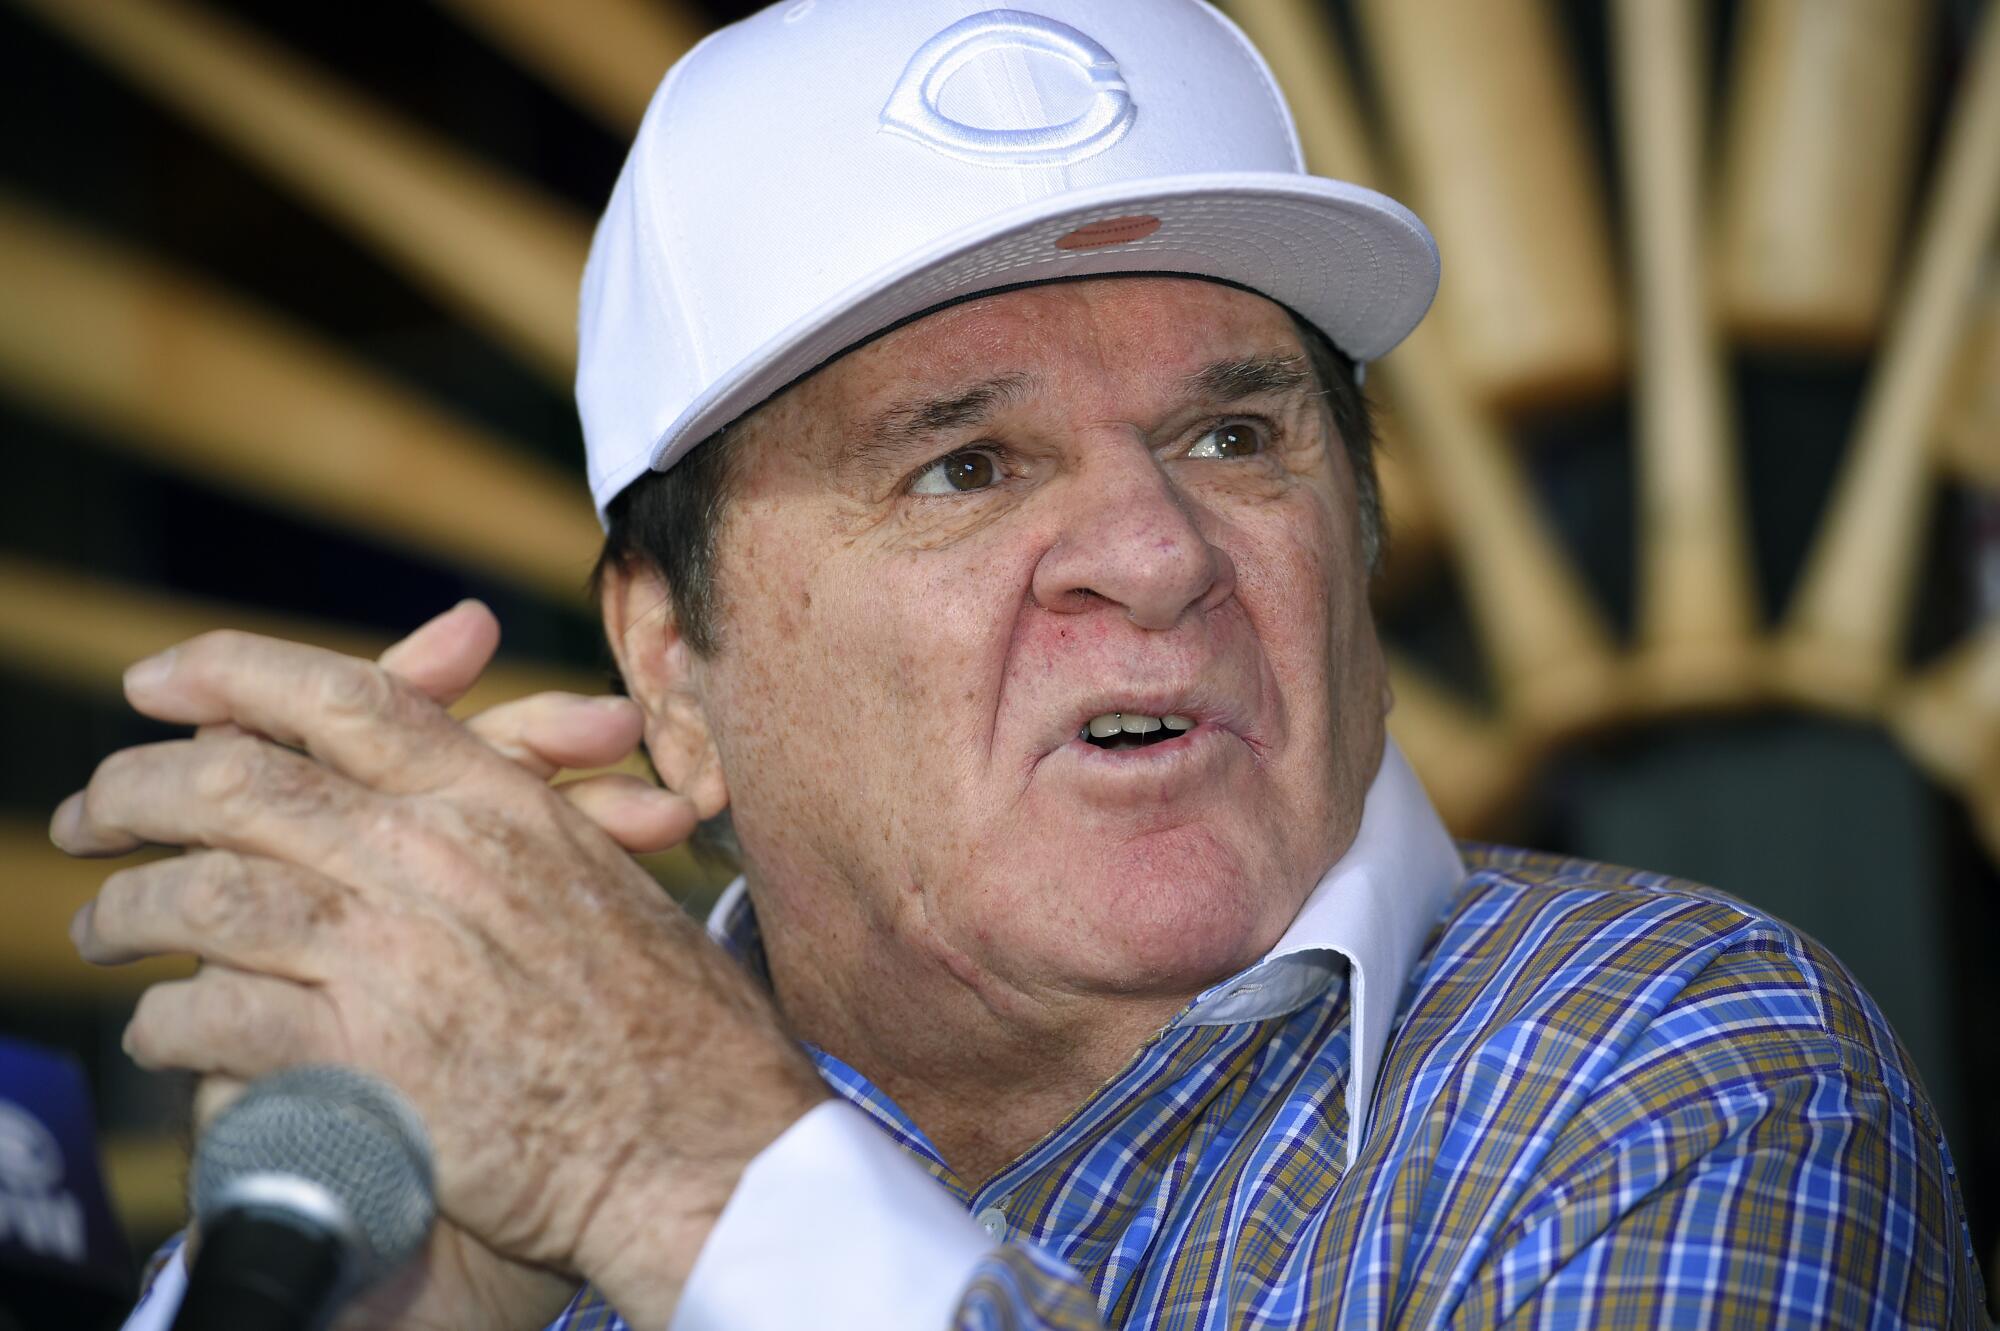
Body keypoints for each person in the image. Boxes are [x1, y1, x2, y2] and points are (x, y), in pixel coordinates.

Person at [66, 1, 1984, 1327]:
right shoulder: (480, 1186)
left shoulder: (1673, 1071)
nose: (1156, 555)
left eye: (1239, 437)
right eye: (965, 466)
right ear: (673, 664)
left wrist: (684, 1181)